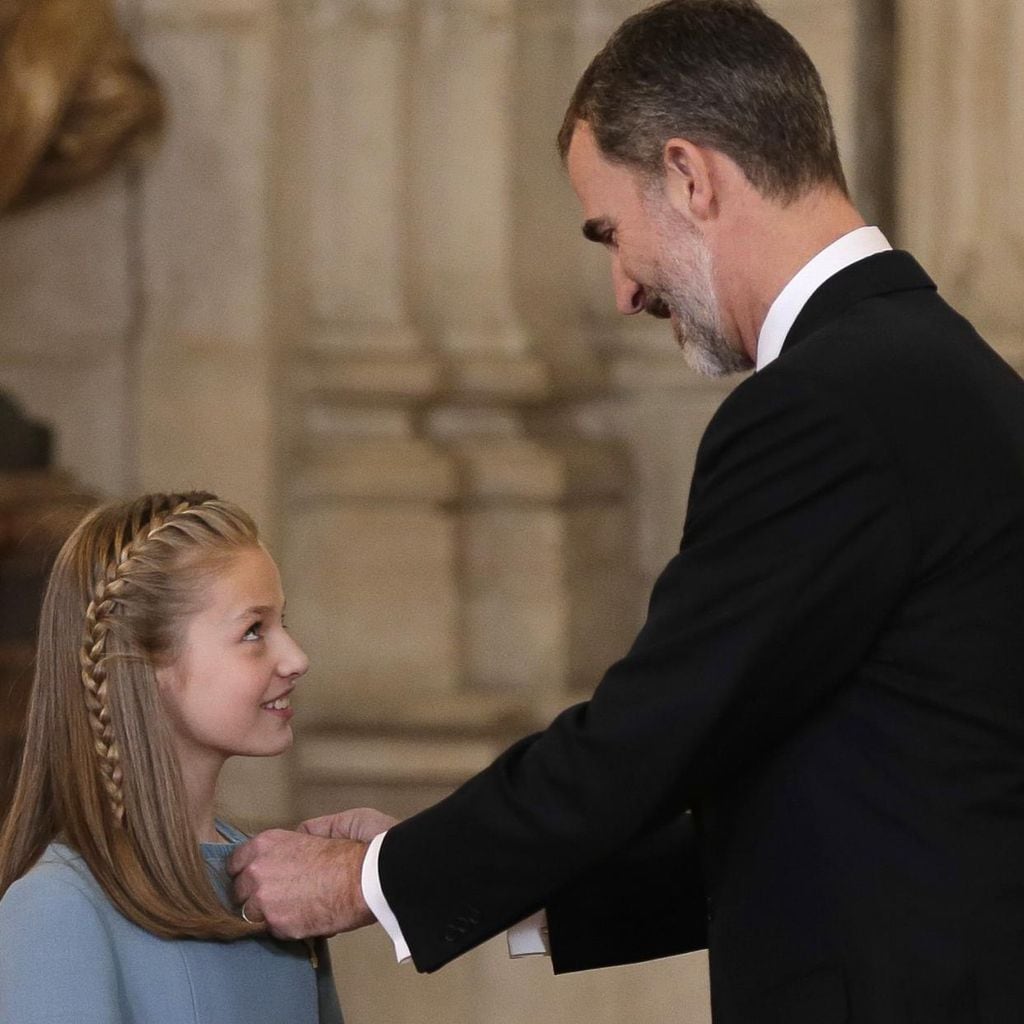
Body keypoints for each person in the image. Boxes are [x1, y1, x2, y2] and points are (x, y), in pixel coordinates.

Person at [228, 2, 1024, 1021]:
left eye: (610, 231)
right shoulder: (941, 373)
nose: (619, 291)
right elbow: (819, 803)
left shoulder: (825, 405)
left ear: (690, 177)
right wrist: (454, 869)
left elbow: (646, 738)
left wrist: (364, 880)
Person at [0, 492, 343, 1024]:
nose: (296, 658)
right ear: (145, 662)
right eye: (253, 630)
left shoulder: (274, 885)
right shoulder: (57, 909)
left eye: (283, 622)